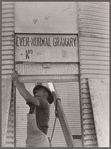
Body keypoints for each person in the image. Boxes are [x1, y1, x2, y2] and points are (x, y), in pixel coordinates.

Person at [11, 71, 54, 147]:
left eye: (39, 90)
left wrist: (16, 80)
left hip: (39, 139)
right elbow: (24, 93)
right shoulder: (34, 105)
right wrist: (19, 80)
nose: (35, 91)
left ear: (45, 94)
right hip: (31, 139)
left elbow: (27, 96)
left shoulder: (45, 103)